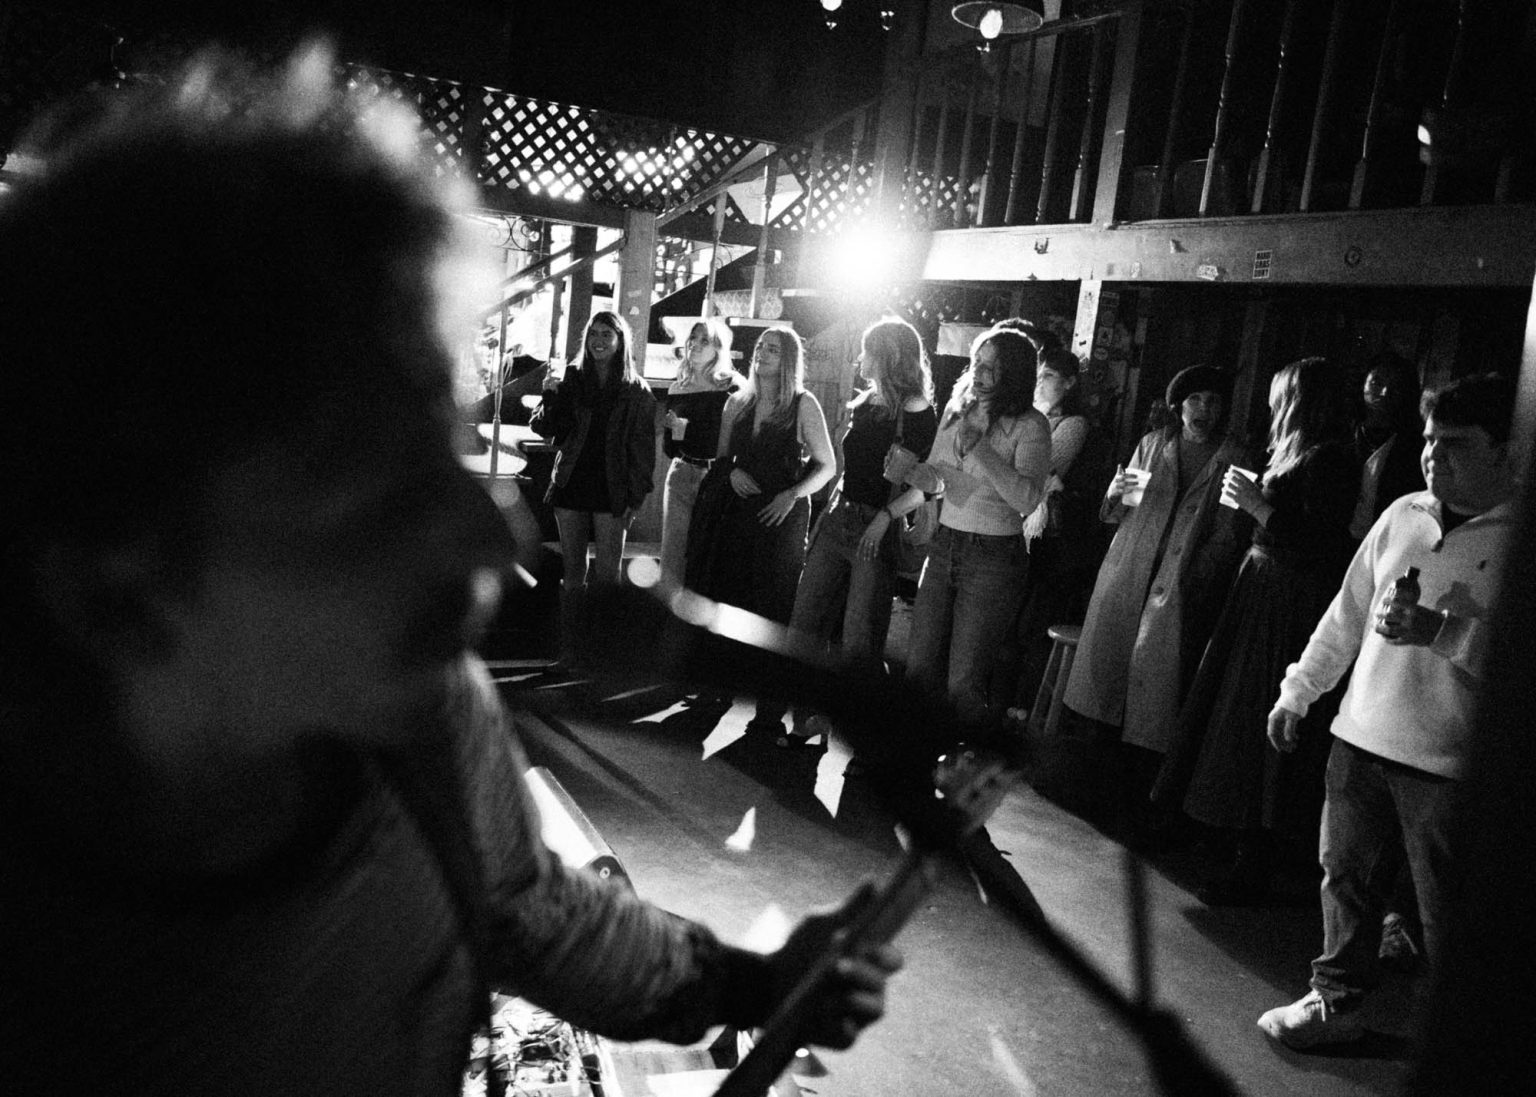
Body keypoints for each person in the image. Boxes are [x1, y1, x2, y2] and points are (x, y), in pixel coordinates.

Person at [0, 48, 897, 1095]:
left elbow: (526, 905)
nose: (498, 539)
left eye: (439, 435)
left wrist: (745, 982)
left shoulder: (424, 717)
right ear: (114, 580)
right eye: (360, 478)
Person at [1255, 372, 1514, 1050]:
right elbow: (1345, 614)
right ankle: (1336, 1004)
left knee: (1445, 910)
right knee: (1344, 880)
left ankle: (1464, 1042)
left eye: (1455, 444)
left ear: (1505, 450)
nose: (1434, 456)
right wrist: (1299, 690)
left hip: (1450, 759)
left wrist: (1439, 632)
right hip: (1363, 734)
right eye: (1430, 440)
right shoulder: (1403, 512)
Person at [1152, 358, 1361, 904]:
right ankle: (1217, 831)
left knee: (1250, 714)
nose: (1270, 406)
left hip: (1287, 594)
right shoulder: (1294, 451)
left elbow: (1322, 541)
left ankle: (1252, 855)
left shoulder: (1330, 458)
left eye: (1278, 396)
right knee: (1228, 709)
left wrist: (1258, 508)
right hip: (1263, 582)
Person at [1062, 365, 1253, 829]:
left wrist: (1198, 578)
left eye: (1212, 400)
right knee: (1107, 678)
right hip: (1130, 568)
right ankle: (1089, 790)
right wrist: (1114, 495)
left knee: (1156, 697)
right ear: (1178, 405)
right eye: (1194, 400)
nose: (1204, 410)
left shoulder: (1236, 457)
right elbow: (1115, 510)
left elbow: (1229, 532)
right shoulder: (1153, 445)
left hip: (1183, 585)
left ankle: (1136, 805)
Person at [778, 316, 939, 749]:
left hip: (876, 524)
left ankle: (867, 735)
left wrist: (887, 516)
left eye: (867, 350)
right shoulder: (867, 402)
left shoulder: (920, 414)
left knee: (860, 643)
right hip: (839, 517)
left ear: (888, 355)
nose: (858, 358)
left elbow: (930, 486)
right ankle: (808, 720)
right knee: (805, 623)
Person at [904, 326, 1050, 736]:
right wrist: (916, 473)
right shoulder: (958, 407)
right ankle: (907, 757)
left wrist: (980, 448)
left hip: (994, 555)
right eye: (976, 363)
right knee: (919, 663)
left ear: (1016, 374)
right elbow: (938, 476)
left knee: (963, 680)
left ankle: (961, 770)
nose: (980, 374)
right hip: (946, 542)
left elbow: (1026, 498)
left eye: (992, 368)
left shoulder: (1030, 425)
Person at [532, 310, 658, 664]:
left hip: (612, 489)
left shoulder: (636, 392)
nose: (599, 341)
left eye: (607, 335)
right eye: (593, 334)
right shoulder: (572, 379)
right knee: (573, 573)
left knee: (608, 575)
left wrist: (636, 496)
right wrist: (550, 395)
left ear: (621, 342)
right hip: (572, 482)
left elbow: (642, 452)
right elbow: (544, 429)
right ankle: (570, 651)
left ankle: (602, 654)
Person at [1001, 342, 1099, 714]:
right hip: (1021, 529)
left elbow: (1040, 470)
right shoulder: (1032, 418)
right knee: (1010, 623)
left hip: (1049, 544)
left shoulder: (1072, 425)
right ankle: (1003, 702)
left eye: (1048, 376)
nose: (1039, 383)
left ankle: (1024, 708)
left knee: (1032, 625)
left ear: (1070, 383)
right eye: (1037, 375)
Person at [659, 318, 737, 586]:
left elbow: (738, 439)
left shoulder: (731, 386)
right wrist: (673, 430)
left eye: (705, 340)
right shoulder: (677, 387)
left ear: (718, 348)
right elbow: (670, 449)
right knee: (673, 555)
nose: (695, 344)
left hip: (716, 475)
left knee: (709, 553)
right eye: (693, 337)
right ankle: (669, 621)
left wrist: (689, 430)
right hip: (681, 472)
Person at [1351, 351, 1426, 539]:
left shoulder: (1414, 445)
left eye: (1396, 386)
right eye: (1376, 383)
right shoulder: (1342, 434)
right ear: (1363, 383)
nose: (1385, 392)